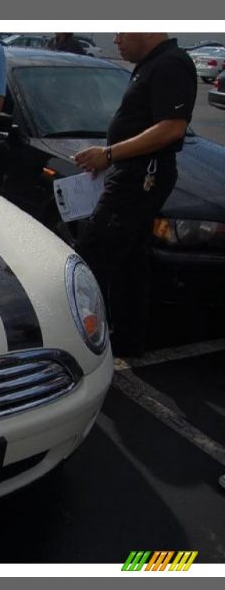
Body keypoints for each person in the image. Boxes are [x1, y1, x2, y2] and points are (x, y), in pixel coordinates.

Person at [73, 33, 197, 357]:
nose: (115, 39)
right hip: (133, 172)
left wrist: (110, 154)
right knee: (129, 261)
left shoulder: (171, 63)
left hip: (142, 176)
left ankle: (78, 338)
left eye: (121, 30)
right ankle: (128, 339)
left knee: (92, 253)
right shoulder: (151, 63)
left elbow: (172, 127)